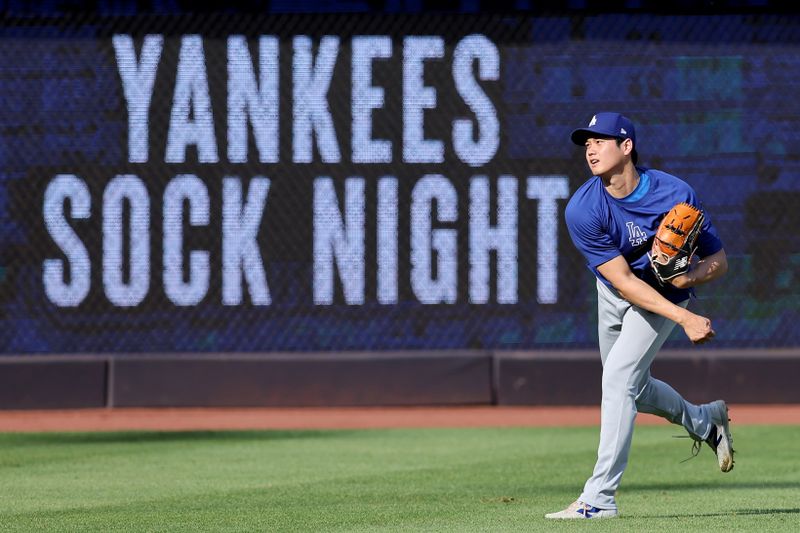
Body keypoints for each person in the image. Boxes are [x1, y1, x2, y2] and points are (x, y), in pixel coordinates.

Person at [545, 112, 734, 520]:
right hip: (616, 292)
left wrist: (689, 280)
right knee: (635, 388)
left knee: (617, 380)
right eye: (587, 142)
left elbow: (719, 260)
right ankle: (706, 422)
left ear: (626, 146)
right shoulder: (583, 209)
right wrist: (684, 320)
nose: (590, 148)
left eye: (601, 140)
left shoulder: (675, 194)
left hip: (665, 293)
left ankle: (599, 499)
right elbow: (625, 282)